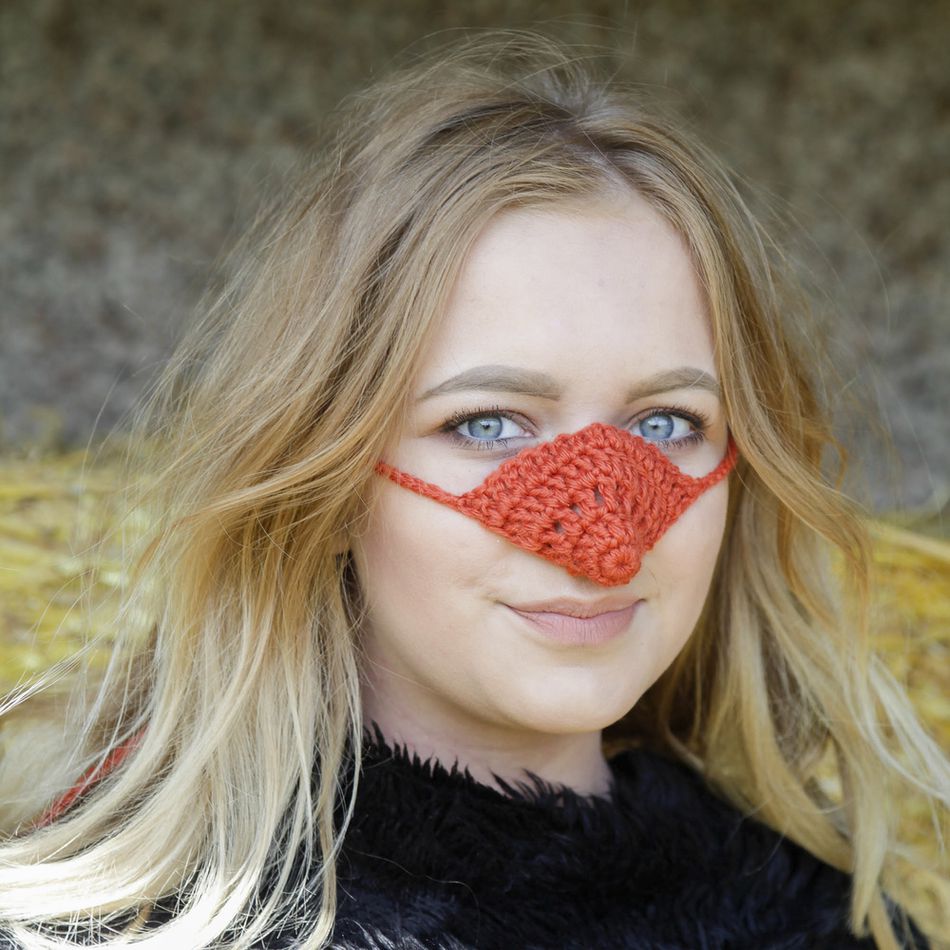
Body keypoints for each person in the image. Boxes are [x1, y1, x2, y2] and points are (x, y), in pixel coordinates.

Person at [0, 31, 945, 950]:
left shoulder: (821, 919)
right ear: (330, 476)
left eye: (665, 424)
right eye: (488, 424)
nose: (604, 533)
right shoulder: (116, 928)